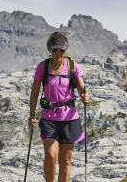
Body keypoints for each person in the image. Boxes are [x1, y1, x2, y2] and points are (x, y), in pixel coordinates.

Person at [28, 31, 90, 182]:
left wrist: (85, 96)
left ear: (65, 50)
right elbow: (35, 92)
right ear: (50, 49)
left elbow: (82, 89)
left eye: (62, 50)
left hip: (69, 118)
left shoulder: (73, 66)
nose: (59, 53)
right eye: (55, 50)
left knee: (66, 159)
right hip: (49, 118)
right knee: (50, 155)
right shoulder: (43, 67)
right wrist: (31, 115)